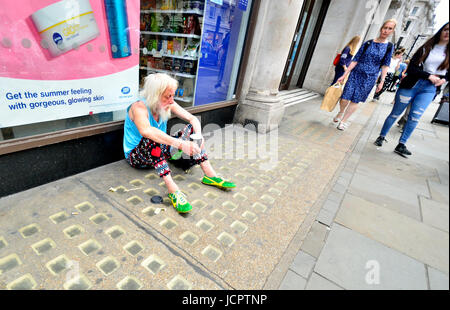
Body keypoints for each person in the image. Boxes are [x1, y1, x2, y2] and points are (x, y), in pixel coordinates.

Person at [123, 73, 236, 213]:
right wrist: (182, 145)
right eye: (167, 96)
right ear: (154, 95)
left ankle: (210, 175)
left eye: (172, 96)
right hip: (138, 157)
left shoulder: (167, 102)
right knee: (153, 137)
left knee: (191, 129)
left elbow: (192, 119)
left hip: (159, 152)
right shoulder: (138, 107)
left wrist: (198, 136)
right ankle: (173, 191)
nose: (171, 101)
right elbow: (147, 131)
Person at [374, 22, 449, 157]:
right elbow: (412, 68)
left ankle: (401, 144)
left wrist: (444, 79)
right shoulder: (426, 48)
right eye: (446, 29)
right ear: (441, 31)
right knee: (395, 113)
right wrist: (429, 76)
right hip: (412, 85)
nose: (448, 33)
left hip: (429, 89)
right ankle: (381, 136)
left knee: (414, 117)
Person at [333, 19, 396, 130]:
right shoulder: (368, 43)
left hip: (370, 78)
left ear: (392, 31)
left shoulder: (389, 47)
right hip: (355, 73)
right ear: (381, 28)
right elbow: (355, 59)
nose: (386, 31)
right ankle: (341, 112)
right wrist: (344, 74)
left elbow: (385, 65)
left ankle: (343, 121)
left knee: (356, 100)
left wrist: (381, 82)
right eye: (385, 27)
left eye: (390, 29)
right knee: (344, 97)